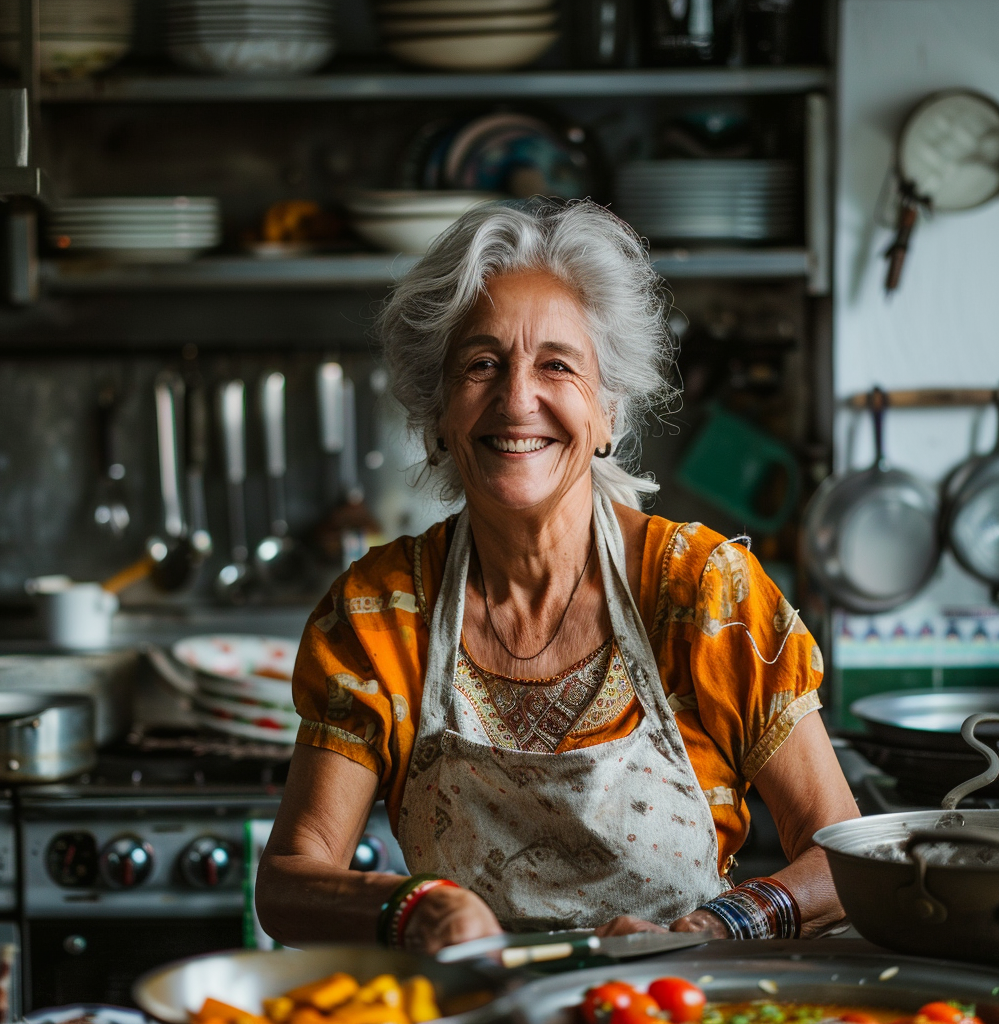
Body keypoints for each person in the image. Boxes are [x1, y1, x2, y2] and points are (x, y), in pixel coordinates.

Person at [255, 199, 859, 954]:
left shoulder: (706, 594)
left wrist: (716, 926)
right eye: (481, 365)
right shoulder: (380, 615)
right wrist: (413, 909)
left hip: (668, 1004)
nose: (516, 400)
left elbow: (846, 857)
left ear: (608, 412)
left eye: (557, 366)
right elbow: (288, 880)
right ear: (439, 412)